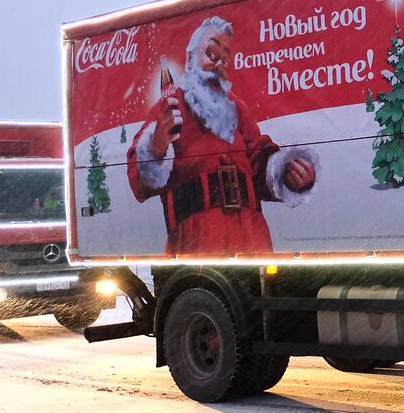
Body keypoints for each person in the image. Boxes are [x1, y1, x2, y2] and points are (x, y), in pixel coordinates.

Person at [128, 16, 318, 255]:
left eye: (224, 59)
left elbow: (259, 159)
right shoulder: (170, 107)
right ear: (189, 59)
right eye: (211, 54)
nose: (219, 64)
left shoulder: (236, 109)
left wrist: (289, 174)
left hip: (253, 245)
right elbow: (138, 181)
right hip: (198, 250)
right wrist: (156, 147)